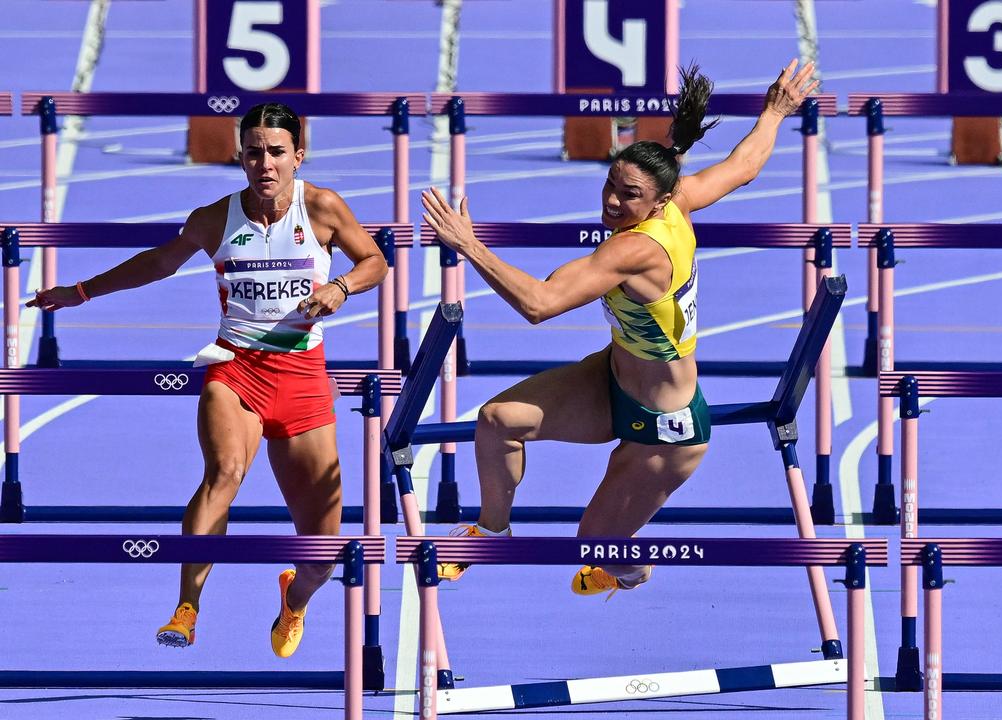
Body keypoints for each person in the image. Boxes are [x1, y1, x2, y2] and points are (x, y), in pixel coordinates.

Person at [421, 60, 818, 596]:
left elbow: (538, 304)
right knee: (496, 421)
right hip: (612, 381)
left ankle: (632, 570)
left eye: (628, 194)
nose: (611, 200)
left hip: (666, 426)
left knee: (597, 547)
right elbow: (744, 165)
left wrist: (469, 246)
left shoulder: (634, 250)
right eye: (610, 184)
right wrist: (774, 111)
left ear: (657, 201)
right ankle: (492, 529)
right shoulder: (678, 199)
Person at [28, 102, 388, 657]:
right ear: (239, 156)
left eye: (276, 152)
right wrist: (80, 292)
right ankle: (187, 606)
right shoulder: (215, 218)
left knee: (321, 546)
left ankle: (295, 598)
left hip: (302, 375)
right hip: (235, 366)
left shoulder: (321, 208)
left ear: (298, 155)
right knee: (224, 472)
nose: (264, 163)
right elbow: (158, 262)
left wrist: (339, 289)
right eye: (253, 152)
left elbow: (375, 262)